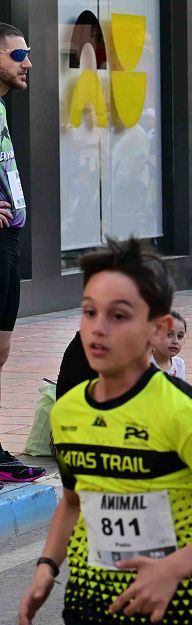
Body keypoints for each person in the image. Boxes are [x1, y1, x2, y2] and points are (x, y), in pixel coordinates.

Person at [19, 238, 192, 625]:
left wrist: (172, 568)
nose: (98, 328)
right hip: (91, 604)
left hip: (179, 604)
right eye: (89, 311)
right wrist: (46, 567)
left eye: (118, 315)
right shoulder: (68, 410)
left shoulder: (186, 411)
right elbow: (75, 501)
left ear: (158, 327)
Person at [0, 23, 43, 483]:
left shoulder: (1, 107)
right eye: (18, 55)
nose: (27, 62)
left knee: (1, 349)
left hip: (8, 242)